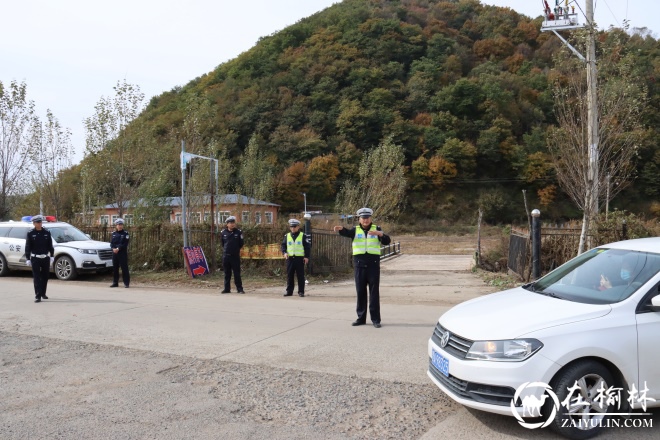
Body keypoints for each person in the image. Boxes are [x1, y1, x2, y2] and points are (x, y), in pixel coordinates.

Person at [333, 207, 391, 328]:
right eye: (363, 218)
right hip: (359, 264)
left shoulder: (377, 229)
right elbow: (347, 233)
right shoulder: (355, 229)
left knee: (374, 292)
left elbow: (386, 241)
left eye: (367, 218)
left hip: (373, 265)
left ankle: (375, 319)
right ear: (359, 219)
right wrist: (341, 229)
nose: (365, 220)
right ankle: (361, 318)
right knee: (360, 291)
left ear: (370, 219)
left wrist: (381, 234)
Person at [24, 215, 55, 303]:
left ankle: (43, 293)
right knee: (37, 277)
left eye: (40, 222)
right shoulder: (30, 233)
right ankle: (38, 295)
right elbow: (28, 246)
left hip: (45, 257)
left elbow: (50, 245)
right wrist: (28, 258)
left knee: (45, 276)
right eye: (38, 222)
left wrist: (52, 255)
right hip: (35, 258)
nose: (40, 224)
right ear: (34, 223)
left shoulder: (46, 232)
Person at [281, 218, 310, 297]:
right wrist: (284, 253)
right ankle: (289, 291)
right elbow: (283, 246)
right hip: (290, 259)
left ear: (298, 227)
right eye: (291, 227)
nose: (293, 228)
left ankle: (301, 292)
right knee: (290, 275)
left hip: (299, 259)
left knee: (300, 276)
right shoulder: (287, 236)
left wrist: (306, 256)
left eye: (294, 227)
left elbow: (307, 247)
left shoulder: (303, 236)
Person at [220, 216, 244, 294]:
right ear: (227, 224)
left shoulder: (238, 232)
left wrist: (235, 250)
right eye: (230, 223)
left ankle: (239, 289)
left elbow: (241, 244)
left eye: (233, 223)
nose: (232, 224)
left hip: (235, 256)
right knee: (227, 273)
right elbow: (223, 244)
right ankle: (227, 289)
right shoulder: (223, 232)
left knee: (236, 273)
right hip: (226, 256)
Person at [110, 218, 130, 288]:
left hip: (122, 253)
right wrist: (113, 248)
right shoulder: (114, 234)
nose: (120, 226)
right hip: (115, 253)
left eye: (121, 224)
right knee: (115, 268)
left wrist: (118, 248)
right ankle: (115, 282)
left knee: (124, 268)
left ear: (122, 225)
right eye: (118, 225)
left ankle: (126, 283)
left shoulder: (125, 234)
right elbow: (111, 243)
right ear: (116, 226)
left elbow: (125, 244)